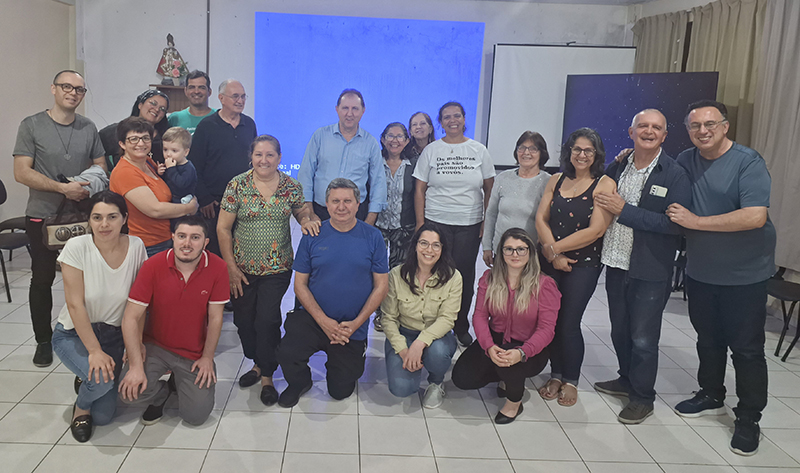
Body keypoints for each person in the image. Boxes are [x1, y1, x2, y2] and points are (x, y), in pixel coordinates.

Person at [667, 100, 775, 456]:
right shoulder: (685, 160)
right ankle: (711, 394)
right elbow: (659, 173)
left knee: (746, 349)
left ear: (725, 126)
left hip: (744, 275)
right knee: (708, 340)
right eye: (695, 125)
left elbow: (754, 216)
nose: (703, 131)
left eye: (710, 124)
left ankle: (748, 417)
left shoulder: (748, 162)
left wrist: (696, 223)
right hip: (701, 272)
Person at [591, 109, 692, 424]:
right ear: (632, 132)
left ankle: (642, 397)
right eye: (643, 126)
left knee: (644, 337)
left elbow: (675, 225)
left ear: (664, 135)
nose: (649, 131)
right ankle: (626, 379)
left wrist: (625, 210)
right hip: (616, 262)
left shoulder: (674, 173)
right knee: (619, 330)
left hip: (651, 268)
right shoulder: (620, 164)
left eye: (656, 127)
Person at [13, 69, 107, 367]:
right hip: (43, 217)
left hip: (81, 217)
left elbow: (101, 165)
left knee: (87, 279)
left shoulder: (88, 127)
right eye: (67, 86)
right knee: (42, 279)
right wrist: (61, 188)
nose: (73, 93)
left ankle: (84, 335)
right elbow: (21, 172)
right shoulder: (31, 125)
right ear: (53, 89)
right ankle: (43, 340)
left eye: (79, 89)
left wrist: (83, 184)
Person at [217, 135, 318, 406]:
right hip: (241, 270)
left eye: (270, 155)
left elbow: (301, 212)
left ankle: (267, 377)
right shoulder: (237, 185)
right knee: (244, 323)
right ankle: (259, 363)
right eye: (259, 154)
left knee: (267, 320)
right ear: (251, 157)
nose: (264, 160)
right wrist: (230, 268)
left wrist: (307, 219)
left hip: (278, 266)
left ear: (279, 158)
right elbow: (223, 229)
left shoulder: (290, 186)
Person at [277, 178, 389, 407]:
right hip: (313, 318)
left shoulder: (373, 237)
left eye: (348, 201)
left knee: (340, 391)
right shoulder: (313, 235)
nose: (341, 207)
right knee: (287, 350)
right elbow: (300, 285)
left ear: (358, 204)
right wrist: (324, 321)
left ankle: (346, 356)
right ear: (326, 204)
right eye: (335, 201)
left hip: (351, 325)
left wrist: (357, 323)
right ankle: (300, 382)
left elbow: (381, 286)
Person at [51, 191, 147, 442]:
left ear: (124, 219)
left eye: (112, 217)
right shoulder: (76, 247)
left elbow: (139, 305)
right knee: (101, 383)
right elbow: (74, 305)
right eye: (97, 217)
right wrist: (94, 351)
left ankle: (87, 376)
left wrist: (135, 342)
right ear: (89, 220)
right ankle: (81, 406)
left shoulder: (136, 246)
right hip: (75, 333)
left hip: (115, 335)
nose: (104, 224)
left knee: (104, 416)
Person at [118, 215, 230, 426]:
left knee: (195, 416)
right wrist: (135, 364)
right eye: (182, 236)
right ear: (173, 238)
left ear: (206, 242)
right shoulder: (153, 265)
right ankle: (161, 392)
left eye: (195, 237)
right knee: (128, 393)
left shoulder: (218, 268)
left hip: (193, 352)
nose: (187, 243)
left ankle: (177, 383)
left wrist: (207, 357)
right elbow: (131, 317)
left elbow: (215, 318)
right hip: (156, 346)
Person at [535, 127, 615, 407]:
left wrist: (556, 248)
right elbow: (541, 219)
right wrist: (551, 252)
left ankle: (571, 380)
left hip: (584, 264)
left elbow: (596, 231)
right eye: (577, 149)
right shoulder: (556, 180)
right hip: (550, 261)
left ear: (596, 154)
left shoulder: (604, 184)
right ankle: (555, 374)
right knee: (551, 320)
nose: (582, 155)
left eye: (588, 150)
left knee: (569, 323)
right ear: (569, 151)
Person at [452, 228, 560, 424]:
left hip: (530, 347)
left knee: (512, 364)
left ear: (530, 252)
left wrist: (522, 352)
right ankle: (503, 374)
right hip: (496, 339)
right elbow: (480, 316)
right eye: (509, 249)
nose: (515, 254)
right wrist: (488, 346)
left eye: (521, 249)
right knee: (462, 378)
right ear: (501, 252)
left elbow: (547, 329)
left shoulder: (544, 285)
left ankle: (513, 402)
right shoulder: (489, 277)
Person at [413, 101, 495, 347]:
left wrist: (486, 222)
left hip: (469, 224)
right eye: (446, 117)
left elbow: (490, 188)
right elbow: (420, 190)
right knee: (433, 274)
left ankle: (460, 326)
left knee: (463, 276)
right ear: (441, 122)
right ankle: (431, 324)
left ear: (463, 118)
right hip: (436, 223)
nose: (452, 120)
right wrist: (420, 224)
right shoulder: (432, 150)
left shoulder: (478, 150)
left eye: (456, 116)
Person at [381, 223, 462, 408]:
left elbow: (447, 319)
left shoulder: (453, 277)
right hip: (404, 333)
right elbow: (388, 318)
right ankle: (413, 366)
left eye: (436, 245)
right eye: (424, 243)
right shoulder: (396, 275)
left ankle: (436, 381)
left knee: (438, 354)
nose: (429, 250)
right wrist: (403, 349)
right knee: (401, 389)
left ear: (442, 249)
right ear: (415, 245)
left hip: (436, 337)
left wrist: (420, 343)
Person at [109, 117, 198, 257]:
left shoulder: (148, 162)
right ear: (122, 144)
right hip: (148, 244)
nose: (141, 143)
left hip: (166, 238)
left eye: (145, 138)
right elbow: (155, 210)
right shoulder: (124, 172)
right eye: (134, 139)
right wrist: (189, 208)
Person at [297, 89, 386, 225]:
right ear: (337, 109)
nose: (349, 114)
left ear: (363, 111)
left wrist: (370, 220)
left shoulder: (370, 143)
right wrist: (310, 213)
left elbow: (378, 183)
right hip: (320, 214)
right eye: (345, 108)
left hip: (357, 215)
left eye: (355, 109)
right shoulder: (320, 136)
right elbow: (305, 174)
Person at [188, 79, 257, 256]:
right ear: (221, 98)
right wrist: (204, 198)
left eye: (243, 97)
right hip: (214, 204)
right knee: (216, 253)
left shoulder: (249, 124)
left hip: (244, 202)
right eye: (235, 96)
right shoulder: (207, 126)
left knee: (242, 251)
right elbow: (194, 164)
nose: (240, 101)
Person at [482, 131, 551, 268]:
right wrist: (486, 246)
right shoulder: (503, 178)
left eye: (533, 149)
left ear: (541, 153)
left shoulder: (548, 181)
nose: (526, 152)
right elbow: (491, 214)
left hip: (531, 253)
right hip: (502, 251)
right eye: (522, 148)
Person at [373, 122, 417, 331]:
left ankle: (394, 313)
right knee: (378, 272)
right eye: (390, 136)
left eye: (400, 136)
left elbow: (419, 196)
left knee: (398, 273)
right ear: (383, 139)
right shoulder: (374, 163)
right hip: (377, 226)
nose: (395, 140)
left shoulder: (413, 166)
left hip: (403, 228)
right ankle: (379, 313)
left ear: (407, 141)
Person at [100, 89, 170, 168]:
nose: (157, 109)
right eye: (153, 103)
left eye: (162, 109)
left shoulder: (166, 138)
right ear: (140, 105)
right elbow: (96, 157)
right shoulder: (116, 131)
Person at [157, 126, 197, 208]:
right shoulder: (169, 165)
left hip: (183, 203)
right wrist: (160, 173)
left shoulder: (189, 168)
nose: (168, 154)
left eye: (174, 151)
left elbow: (180, 184)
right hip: (169, 201)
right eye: (165, 149)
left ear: (186, 152)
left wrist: (171, 169)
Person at [167, 70, 216, 135]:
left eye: (201, 87)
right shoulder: (174, 119)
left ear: (209, 92)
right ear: (185, 91)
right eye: (192, 87)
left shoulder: (220, 117)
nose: (196, 91)